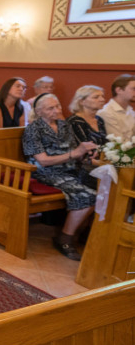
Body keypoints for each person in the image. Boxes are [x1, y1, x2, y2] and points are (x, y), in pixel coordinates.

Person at [23, 94, 98, 260]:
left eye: (57, 106)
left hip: (71, 168)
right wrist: (75, 153)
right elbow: (43, 161)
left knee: (102, 185)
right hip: (46, 172)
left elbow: (74, 151)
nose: (56, 110)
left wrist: (86, 152)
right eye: (50, 108)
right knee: (87, 195)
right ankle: (65, 238)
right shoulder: (33, 129)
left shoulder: (64, 125)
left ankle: (86, 233)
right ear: (39, 111)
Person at [97, 74, 135, 140]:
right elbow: (118, 143)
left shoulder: (130, 110)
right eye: (134, 89)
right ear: (119, 90)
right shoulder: (106, 112)